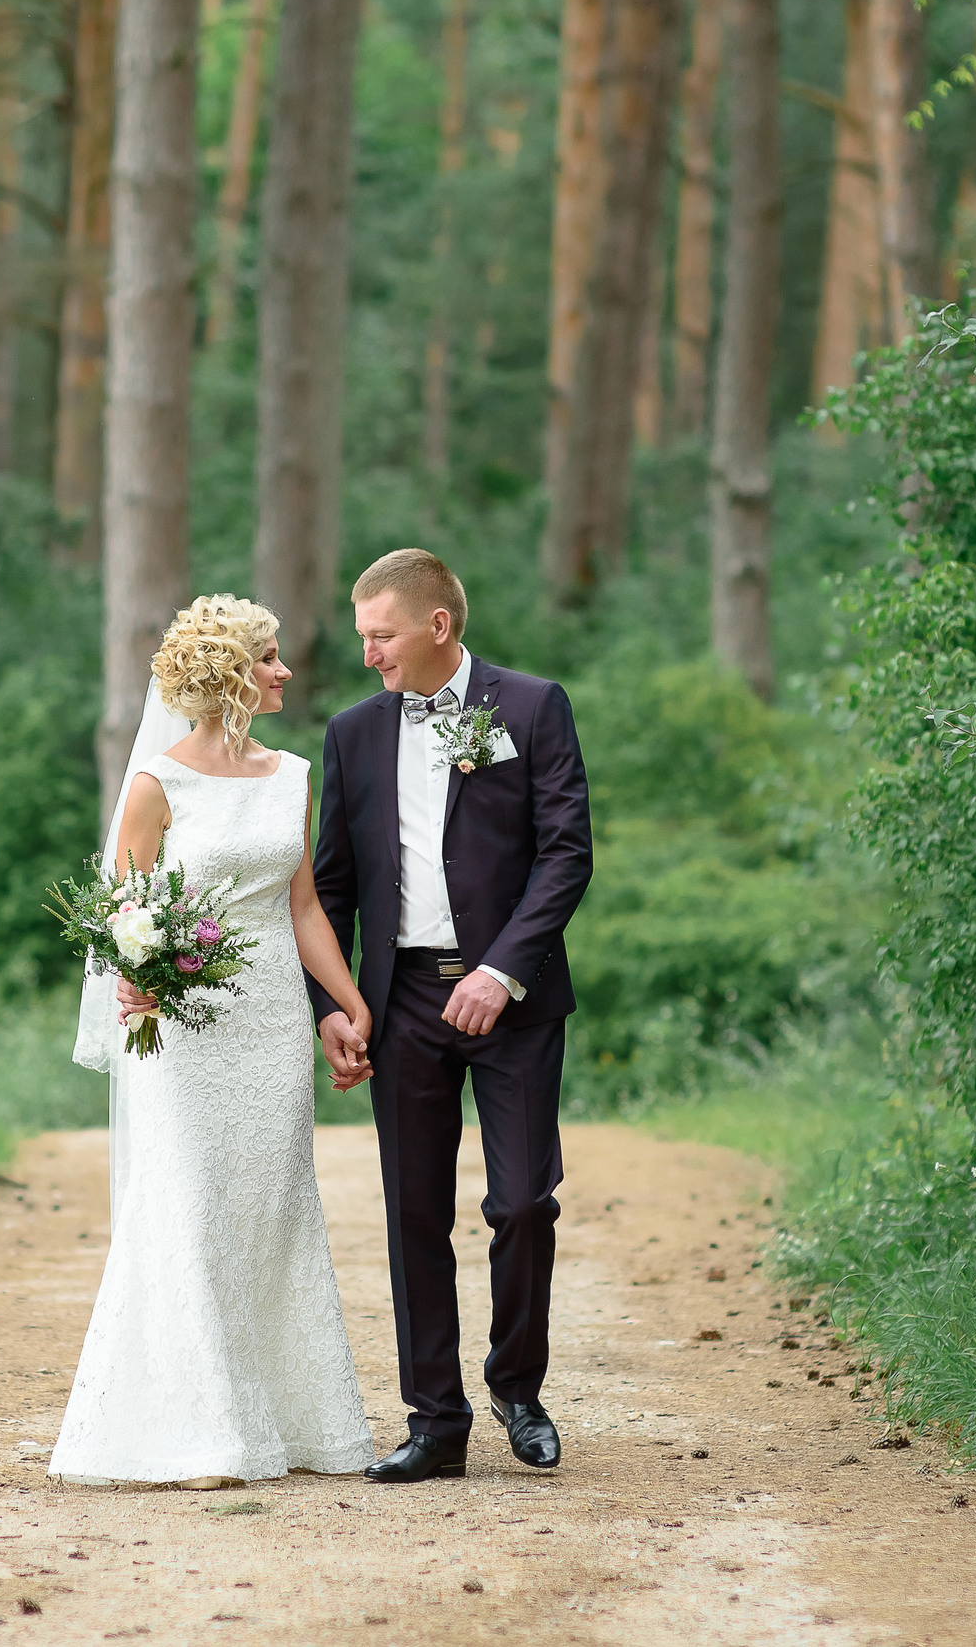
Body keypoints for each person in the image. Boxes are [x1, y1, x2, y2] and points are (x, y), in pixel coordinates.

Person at [52, 595, 376, 1489]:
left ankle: (293, 1420)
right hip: (183, 1028)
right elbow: (123, 911)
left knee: (272, 1207)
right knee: (190, 1206)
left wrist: (348, 1002)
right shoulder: (156, 785)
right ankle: (202, 1435)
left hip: (271, 1015)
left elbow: (302, 904)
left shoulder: (291, 773)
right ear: (230, 673)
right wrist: (134, 969)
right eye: (269, 658)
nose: (284, 671)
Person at [308, 549, 593, 1483]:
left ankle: (517, 1385)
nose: (369, 655)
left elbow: (566, 854)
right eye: (362, 637)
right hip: (402, 1004)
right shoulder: (352, 733)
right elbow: (333, 885)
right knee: (412, 1214)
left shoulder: (534, 705)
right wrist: (336, 1006)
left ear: (437, 627)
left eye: (380, 634)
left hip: (510, 999)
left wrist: (503, 968)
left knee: (522, 1203)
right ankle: (437, 1420)